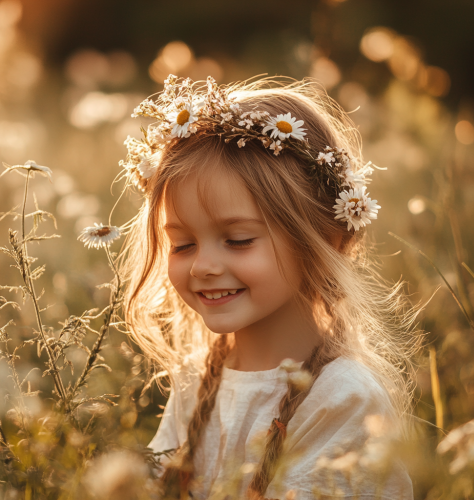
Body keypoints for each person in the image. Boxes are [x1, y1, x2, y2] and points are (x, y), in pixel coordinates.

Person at [120, 75, 419, 500]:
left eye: (238, 240)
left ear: (324, 238)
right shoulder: (197, 379)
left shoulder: (343, 397)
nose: (203, 266)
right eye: (182, 244)